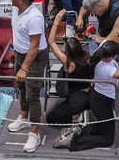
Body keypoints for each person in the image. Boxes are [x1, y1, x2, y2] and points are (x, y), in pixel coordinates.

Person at [66, 40, 119, 151]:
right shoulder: (107, 69)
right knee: (108, 139)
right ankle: (74, 142)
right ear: (111, 57)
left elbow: (106, 40)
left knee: (104, 125)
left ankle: (79, 131)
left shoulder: (100, 54)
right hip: (102, 101)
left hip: (98, 97)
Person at [5, 0, 48, 152]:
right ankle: (23, 117)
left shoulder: (35, 17)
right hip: (20, 54)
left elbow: (35, 46)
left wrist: (24, 68)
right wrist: (12, 49)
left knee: (32, 95)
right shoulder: (16, 10)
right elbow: (15, 30)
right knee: (21, 88)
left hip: (35, 58)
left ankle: (34, 133)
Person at [45, 9, 93, 142]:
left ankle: (75, 118)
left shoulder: (69, 63)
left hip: (77, 100)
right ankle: (80, 112)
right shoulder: (88, 57)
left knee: (50, 119)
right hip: (89, 93)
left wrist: (56, 21)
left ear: (68, 52)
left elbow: (51, 42)